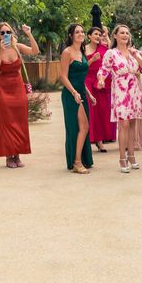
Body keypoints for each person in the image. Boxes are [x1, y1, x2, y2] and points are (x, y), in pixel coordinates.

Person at [97, 24, 142, 173]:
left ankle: (131, 156)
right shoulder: (111, 53)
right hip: (120, 90)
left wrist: (136, 56)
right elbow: (103, 70)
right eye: (122, 33)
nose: (125, 35)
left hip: (134, 91)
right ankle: (122, 158)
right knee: (124, 124)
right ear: (115, 36)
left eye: (127, 33)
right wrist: (101, 80)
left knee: (132, 124)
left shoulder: (133, 52)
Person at [0, 22, 39, 168]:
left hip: (18, 88)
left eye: (8, 32)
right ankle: (8, 156)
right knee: (6, 123)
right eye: (2, 33)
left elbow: (35, 51)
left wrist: (29, 34)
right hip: (2, 89)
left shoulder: (17, 46)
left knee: (20, 121)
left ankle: (17, 155)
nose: (6, 35)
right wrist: (1, 52)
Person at [60, 24, 96, 174]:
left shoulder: (81, 52)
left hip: (81, 92)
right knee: (83, 127)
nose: (81, 34)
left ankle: (80, 159)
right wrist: (74, 92)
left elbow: (81, 78)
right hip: (71, 94)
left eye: (82, 31)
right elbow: (63, 76)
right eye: (77, 32)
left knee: (82, 128)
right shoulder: (67, 52)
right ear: (71, 35)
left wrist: (89, 94)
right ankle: (77, 162)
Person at [84, 27, 115, 152]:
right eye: (95, 34)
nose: (98, 36)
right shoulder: (83, 49)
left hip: (102, 82)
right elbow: (80, 67)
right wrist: (92, 60)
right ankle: (95, 140)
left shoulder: (104, 49)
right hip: (89, 81)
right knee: (92, 112)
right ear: (89, 36)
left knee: (103, 111)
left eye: (100, 34)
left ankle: (101, 139)